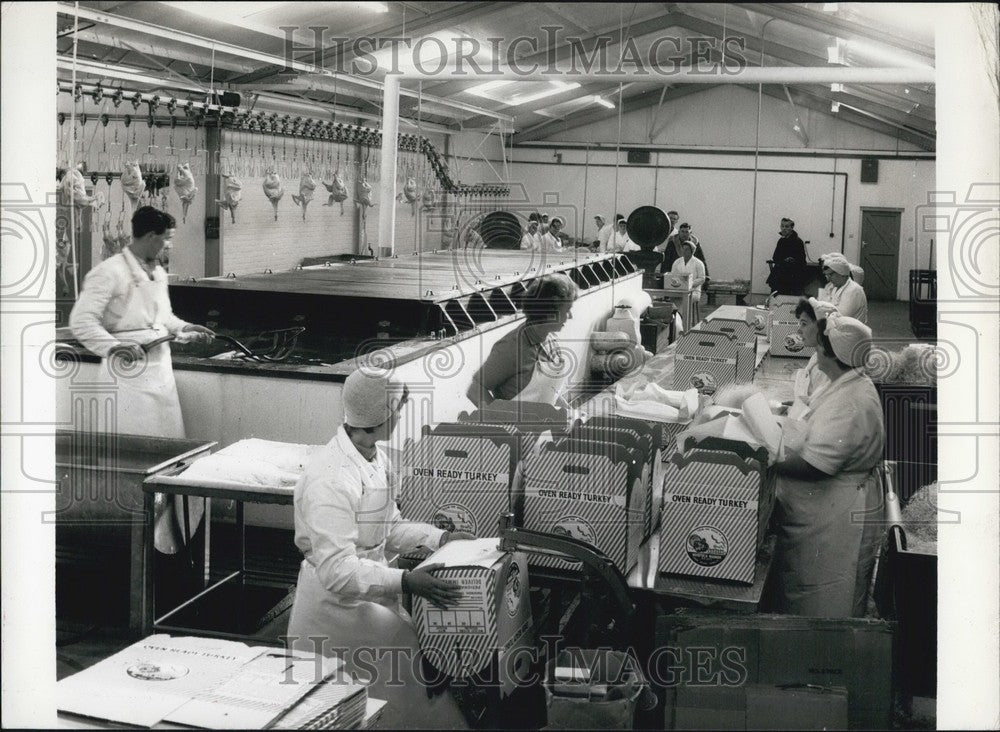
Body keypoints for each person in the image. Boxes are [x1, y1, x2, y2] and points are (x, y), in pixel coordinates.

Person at [287, 369, 474, 726]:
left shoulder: (376, 458)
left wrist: (440, 539)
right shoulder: (330, 479)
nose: (401, 416)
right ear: (381, 415)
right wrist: (405, 581)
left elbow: (388, 529)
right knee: (395, 677)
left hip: (369, 594)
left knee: (407, 682)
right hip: (333, 610)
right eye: (398, 410)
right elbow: (338, 571)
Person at [69, 205, 215, 555]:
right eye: (164, 240)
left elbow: (163, 317)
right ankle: (126, 540)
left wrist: (186, 329)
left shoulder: (158, 273)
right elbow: (82, 322)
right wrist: (115, 347)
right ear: (150, 236)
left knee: (170, 454)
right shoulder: (109, 273)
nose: (166, 247)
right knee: (135, 459)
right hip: (127, 380)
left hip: (160, 375)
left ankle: (166, 539)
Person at [771, 313, 885, 617]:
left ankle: (824, 659)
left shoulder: (849, 401)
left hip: (837, 515)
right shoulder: (845, 382)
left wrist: (768, 459)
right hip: (831, 506)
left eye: (820, 346)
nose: (816, 351)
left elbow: (816, 466)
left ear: (832, 354)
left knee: (828, 597)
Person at [467, 273, 578, 407]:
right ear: (550, 312)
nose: (571, 316)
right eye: (567, 310)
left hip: (542, 424)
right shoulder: (510, 347)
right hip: (515, 425)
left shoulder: (550, 340)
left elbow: (549, 391)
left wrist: (569, 412)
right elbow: (475, 390)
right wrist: (499, 421)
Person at [819, 252, 869, 323]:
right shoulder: (835, 287)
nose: (828, 279)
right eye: (827, 275)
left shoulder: (854, 290)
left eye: (830, 275)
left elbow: (840, 318)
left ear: (841, 273)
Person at [766, 217, 808, 295]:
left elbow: (801, 260)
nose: (784, 228)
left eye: (787, 226)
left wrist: (791, 260)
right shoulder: (781, 240)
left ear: (792, 228)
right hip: (781, 272)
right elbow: (775, 257)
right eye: (782, 226)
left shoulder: (798, 242)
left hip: (791, 275)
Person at [670, 240, 707, 324]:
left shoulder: (698, 263)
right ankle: (674, 321)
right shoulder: (677, 262)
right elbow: (672, 276)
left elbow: (702, 278)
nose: (684, 251)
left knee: (686, 300)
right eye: (683, 249)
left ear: (692, 251)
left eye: (687, 249)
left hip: (694, 291)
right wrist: (678, 284)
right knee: (672, 299)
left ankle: (685, 322)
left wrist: (690, 283)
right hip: (679, 290)